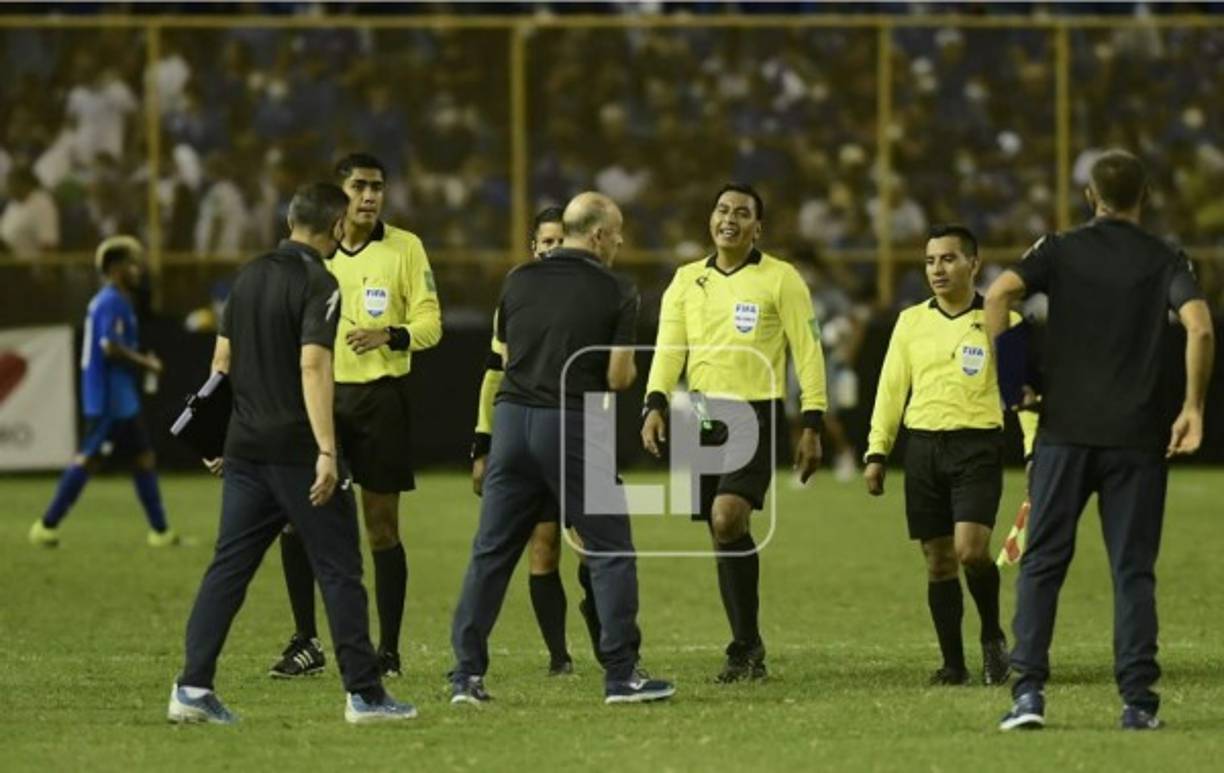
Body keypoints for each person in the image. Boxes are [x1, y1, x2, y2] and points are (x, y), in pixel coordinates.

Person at [167, 182, 415, 725]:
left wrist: (217, 440)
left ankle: (191, 688)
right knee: (340, 569)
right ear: (334, 228)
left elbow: (221, 362)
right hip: (297, 451)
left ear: (288, 222)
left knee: (228, 568)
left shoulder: (248, 276)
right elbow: (313, 365)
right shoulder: (318, 281)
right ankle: (366, 696)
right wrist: (327, 449)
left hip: (244, 449)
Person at [987, 150, 1214, 731]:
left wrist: (1015, 385)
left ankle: (1028, 696)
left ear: (1091, 196)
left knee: (1042, 564)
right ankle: (1137, 703)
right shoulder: (1165, 257)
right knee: (1132, 570)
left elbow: (997, 296)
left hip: (1064, 433)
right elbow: (1200, 325)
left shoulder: (1059, 249)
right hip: (1137, 437)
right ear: (1145, 197)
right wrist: (1192, 406)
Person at [449, 192, 674, 706]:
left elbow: (506, 353)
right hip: (573, 421)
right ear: (597, 235)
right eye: (616, 233)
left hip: (511, 421)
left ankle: (466, 676)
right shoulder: (618, 289)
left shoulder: (518, 279)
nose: (620, 242)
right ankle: (621, 674)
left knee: (491, 552)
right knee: (610, 549)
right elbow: (618, 377)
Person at [641, 183, 826, 682]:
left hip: (756, 412)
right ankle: (748, 647)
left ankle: (743, 644)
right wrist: (654, 403)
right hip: (697, 413)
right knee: (721, 531)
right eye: (722, 209)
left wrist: (812, 422)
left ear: (757, 228)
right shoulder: (684, 280)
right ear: (711, 219)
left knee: (727, 518)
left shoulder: (782, 279)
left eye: (742, 213)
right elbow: (668, 349)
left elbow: (808, 352)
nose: (729, 218)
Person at [271, 153, 442, 680]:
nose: (370, 196)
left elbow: (431, 322)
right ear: (338, 194)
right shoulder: (312, 254)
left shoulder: (405, 247)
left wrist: (389, 334)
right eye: (359, 186)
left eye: (377, 187)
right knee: (298, 522)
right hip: (320, 399)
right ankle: (306, 641)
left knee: (382, 527)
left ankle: (387, 650)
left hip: (380, 400)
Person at [863, 223, 1037, 687]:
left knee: (970, 550)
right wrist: (877, 450)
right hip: (922, 449)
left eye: (948, 259)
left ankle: (992, 637)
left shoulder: (1005, 321)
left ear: (973, 264)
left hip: (976, 446)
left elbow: (1022, 393)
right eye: (930, 261)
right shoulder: (910, 321)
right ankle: (953, 664)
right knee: (938, 560)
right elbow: (891, 388)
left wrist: (1033, 449)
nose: (937, 269)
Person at [470, 205, 592, 677]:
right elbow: (492, 375)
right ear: (534, 248)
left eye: (564, 241)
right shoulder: (515, 298)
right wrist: (482, 441)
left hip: (581, 433)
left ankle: (609, 637)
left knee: (594, 546)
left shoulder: (592, 296)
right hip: (529, 434)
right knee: (543, 549)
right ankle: (559, 656)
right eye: (548, 243)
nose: (555, 250)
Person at [29, 235, 177, 548]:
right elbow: (109, 346)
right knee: (88, 460)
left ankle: (161, 532)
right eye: (132, 263)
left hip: (122, 398)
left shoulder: (119, 300)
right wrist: (146, 362)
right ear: (115, 267)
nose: (138, 269)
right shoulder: (110, 301)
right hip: (108, 397)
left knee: (143, 459)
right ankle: (46, 525)